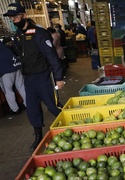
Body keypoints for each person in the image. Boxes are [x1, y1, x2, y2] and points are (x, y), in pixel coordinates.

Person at [4, 3, 65, 152]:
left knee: (52, 105)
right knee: (32, 109)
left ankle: (69, 127)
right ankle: (38, 136)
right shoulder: (18, 35)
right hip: (29, 78)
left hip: (44, 76)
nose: (14, 20)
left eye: (16, 17)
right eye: (12, 18)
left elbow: (52, 57)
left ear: (24, 15)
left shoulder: (40, 33)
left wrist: (58, 78)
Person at [0, 40, 26, 115]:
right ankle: (28, 104)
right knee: (21, 87)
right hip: (16, 66)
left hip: (5, 71)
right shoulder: (3, 45)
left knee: (8, 91)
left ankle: (15, 109)